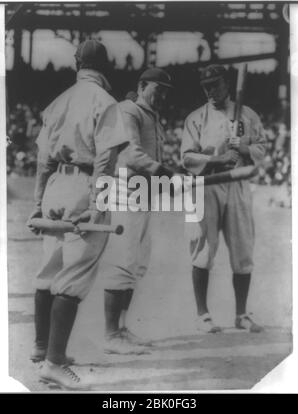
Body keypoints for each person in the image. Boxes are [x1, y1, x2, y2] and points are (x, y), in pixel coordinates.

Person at [27, 39, 128, 390]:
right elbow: (105, 160)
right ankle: (54, 364)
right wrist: (99, 203)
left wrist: (39, 202)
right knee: (73, 276)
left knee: (49, 270)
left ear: (76, 64)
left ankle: (42, 348)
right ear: (105, 67)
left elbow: (43, 159)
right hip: (86, 185)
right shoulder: (106, 102)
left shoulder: (58, 102)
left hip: (56, 183)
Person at [181, 64, 267, 333]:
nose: (210, 91)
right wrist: (217, 158)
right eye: (206, 87)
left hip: (238, 182)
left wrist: (242, 147)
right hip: (208, 184)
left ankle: (241, 314)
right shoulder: (196, 117)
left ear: (226, 84)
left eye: (215, 85)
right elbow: (187, 157)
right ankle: (202, 314)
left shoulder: (248, 115)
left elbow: (262, 148)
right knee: (204, 249)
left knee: (242, 250)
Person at [101, 68, 175, 354]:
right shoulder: (129, 110)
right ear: (143, 85)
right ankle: (110, 334)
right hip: (124, 194)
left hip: (143, 195)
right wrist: (164, 171)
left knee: (135, 264)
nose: (164, 95)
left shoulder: (152, 115)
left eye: (167, 90)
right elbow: (131, 153)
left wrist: (164, 178)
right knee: (122, 261)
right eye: (159, 88)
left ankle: (121, 329)